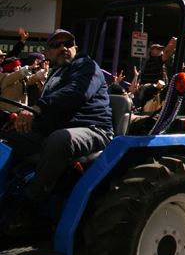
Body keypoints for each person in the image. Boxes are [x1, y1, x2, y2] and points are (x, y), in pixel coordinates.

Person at [0, 29, 113, 236]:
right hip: (52, 129)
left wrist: (37, 108)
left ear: (75, 49)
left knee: (59, 140)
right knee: (5, 140)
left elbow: (76, 93)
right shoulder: (54, 74)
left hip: (92, 129)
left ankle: (31, 205)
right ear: (48, 53)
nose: (63, 48)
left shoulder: (86, 66)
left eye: (67, 44)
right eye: (56, 45)